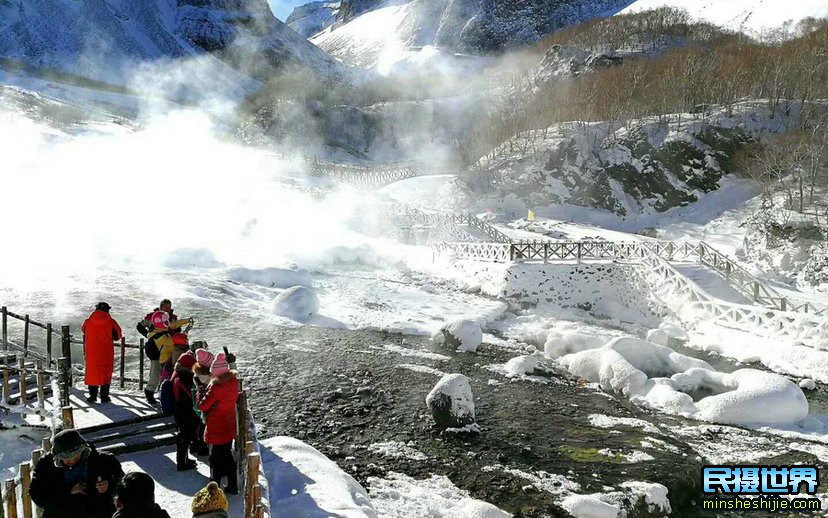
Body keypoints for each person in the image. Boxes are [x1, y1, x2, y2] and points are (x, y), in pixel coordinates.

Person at [29, 429, 124, 518]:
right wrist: (68, 491)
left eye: (75, 457)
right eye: (67, 459)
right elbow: (38, 495)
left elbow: (121, 483)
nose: (71, 461)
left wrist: (109, 485)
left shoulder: (103, 460)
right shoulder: (46, 466)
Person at [197, 352, 239, 494]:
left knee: (214, 459)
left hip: (216, 427)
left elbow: (202, 406)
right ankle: (233, 486)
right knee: (227, 456)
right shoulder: (233, 382)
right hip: (229, 424)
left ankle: (213, 491)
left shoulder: (216, 388)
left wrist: (200, 393)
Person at [137, 299, 191, 404]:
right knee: (156, 372)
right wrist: (151, 336)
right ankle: (150, 392)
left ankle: (166, 393)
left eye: (169, 307)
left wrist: (186, 321)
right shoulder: (153, 317)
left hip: (170, 348)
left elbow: (175, 327)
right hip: (159, 349)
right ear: (161, 306)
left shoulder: (171, 318)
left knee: (168, 373)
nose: (168, 309)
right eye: (166, 307)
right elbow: (139, 326)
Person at [81, 302, 123, 403]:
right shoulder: (111, 322)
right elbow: (117, 336)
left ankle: (92, 396)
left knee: (92, 373)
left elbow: (83, 331)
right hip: (106, 352)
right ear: (107, 310)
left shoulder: (87, 322)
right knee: (106, 373)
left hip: (92, 352)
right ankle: (104, 397)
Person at [172, 351, 200, 471]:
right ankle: (182, 463)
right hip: (185, 410)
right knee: (184, 436)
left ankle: (184, 459)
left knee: (184, 435)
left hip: (179, 409)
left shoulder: (177, 372)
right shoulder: (185, 378)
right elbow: (191, 395)